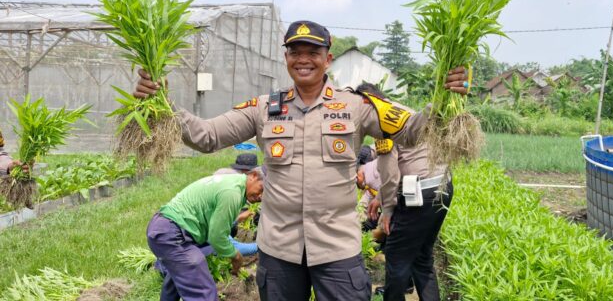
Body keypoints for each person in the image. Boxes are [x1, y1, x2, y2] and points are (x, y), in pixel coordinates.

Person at [134, 20, 471, 301]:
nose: (304, 59)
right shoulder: (263, 108)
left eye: (313, 52)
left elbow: (411, 131)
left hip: (337, 250)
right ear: (286, 58)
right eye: (296, 52)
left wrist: (445, 98)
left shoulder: (356, 106)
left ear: (328, 58)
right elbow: (206, 136)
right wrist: (162, 104)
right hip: (280, 252)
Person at [356, 82, 453, 301]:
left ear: (366, 102)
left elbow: (390, 173)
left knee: (396, 257)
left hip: (418, 195)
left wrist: (388, 209)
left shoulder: (380, 119)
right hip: (442, 187)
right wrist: (381, 197)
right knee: (422, 258)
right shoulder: (400, 111)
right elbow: (406, 161)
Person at [146, 167, 265, 301]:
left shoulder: (232, 183)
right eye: (261, 189)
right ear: (253, 176)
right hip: (172, 234)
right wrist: (236, 256)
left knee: (180, 275)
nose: (261, 196)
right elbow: (217, 237)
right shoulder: (232, 193)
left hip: (166, 228)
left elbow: (215, 227)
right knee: (203, 293)